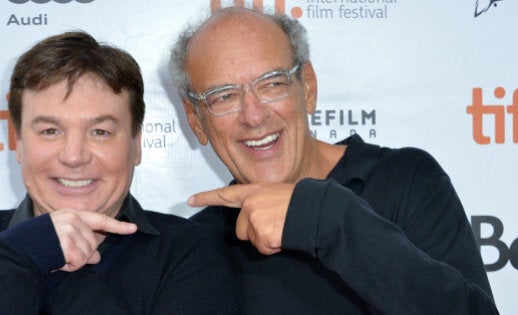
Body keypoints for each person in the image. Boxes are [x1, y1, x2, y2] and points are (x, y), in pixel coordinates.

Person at [168, 6, 498, 314]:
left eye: (272, 84)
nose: (253, 116)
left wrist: (323, 217)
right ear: (196, 120)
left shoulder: (407, 181)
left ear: (307, 87)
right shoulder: (196, 247)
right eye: (224, 96)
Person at [0, 31, 234, 314]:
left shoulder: (187, 252)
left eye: (100, 132)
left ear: (136, 145)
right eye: (50, 131)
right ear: (20, 143)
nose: (74, 156)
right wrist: (20, 258)